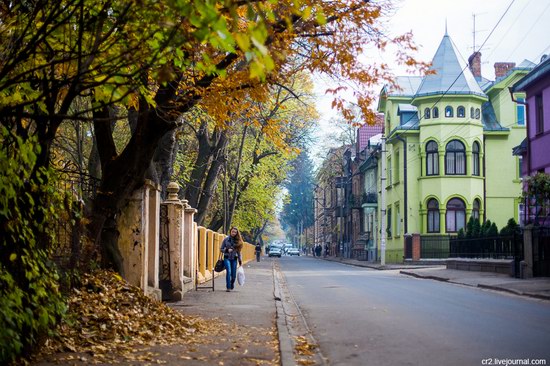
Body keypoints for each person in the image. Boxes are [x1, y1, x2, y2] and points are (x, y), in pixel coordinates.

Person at [220, 227, 243, 292]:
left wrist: (240, 260)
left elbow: (239, 252)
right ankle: (228, 287)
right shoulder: (226, 240)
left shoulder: (238, 241)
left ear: (237, 233)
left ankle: (232, 282)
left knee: (233, 275)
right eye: (232, 231)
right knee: (229, 272)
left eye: (235, 232)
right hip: (226, 258)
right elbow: (221, 249)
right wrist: (227, 250)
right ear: (230, 231)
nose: (233, 233)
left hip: (234, 259)